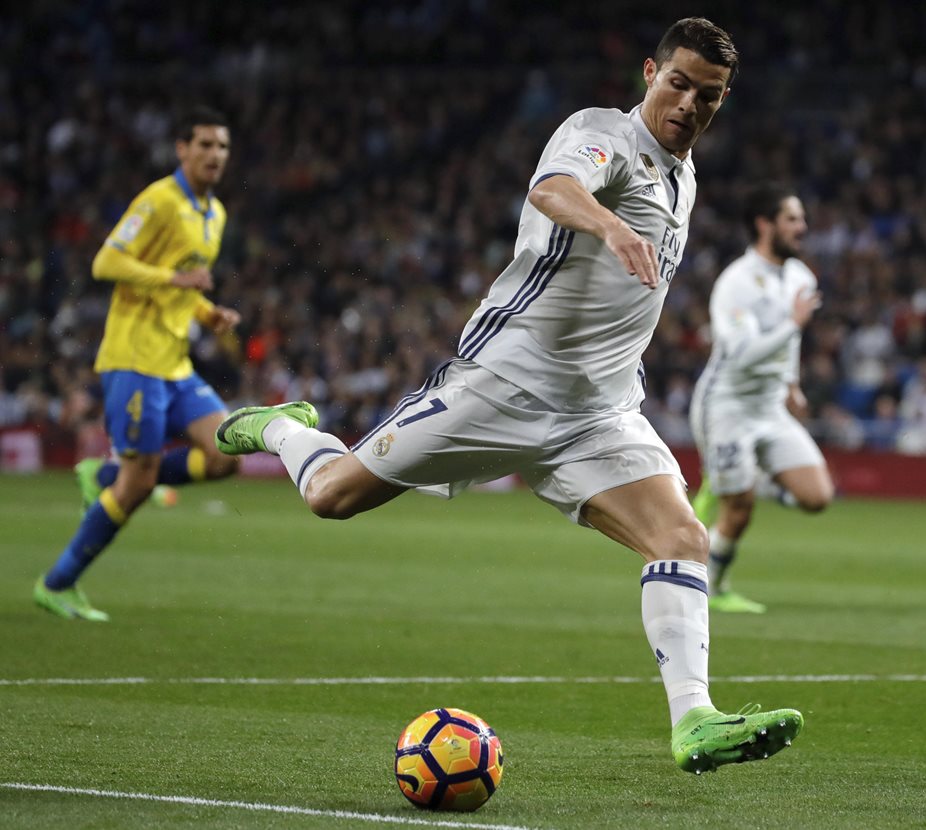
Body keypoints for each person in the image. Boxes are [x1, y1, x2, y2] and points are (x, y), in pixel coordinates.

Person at [215, 19, 802, 774]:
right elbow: (554, 188)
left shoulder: (685, 179)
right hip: (502, 384)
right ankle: (278, 427)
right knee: (332, 495)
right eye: (678, 83)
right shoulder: (603, 136)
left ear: (724, 101)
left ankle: (695, 723)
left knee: (685, 540)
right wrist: (611, 225)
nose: (688, 103)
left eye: (708, 95)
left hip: (599, 412)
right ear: (650, 71)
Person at [34, 107, 244, 621]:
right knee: (139, 485)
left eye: (222, 147)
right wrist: (172, 281)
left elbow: (187, 281)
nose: (215, 155)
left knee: (225, 455)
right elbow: (106, 261)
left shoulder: (213, 214)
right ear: (181, 148)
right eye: (205, 145)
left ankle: (104, 474)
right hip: (134, 360)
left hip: (175, 362)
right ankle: (57, 584)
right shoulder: (159, 201)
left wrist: (206, 312)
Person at [687, 184, 830, 614]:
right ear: (764, 224)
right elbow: (741, 353)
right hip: (727, 404)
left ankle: (738, 476)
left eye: (801, 218)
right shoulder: (737, 282)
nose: (802, 227)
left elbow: (790, 345)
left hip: (769, 406)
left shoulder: (802, 276)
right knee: (738, 510)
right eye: (791, 218)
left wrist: (791, 384)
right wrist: (792, 323)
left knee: (817, 496)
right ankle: (714, 585)